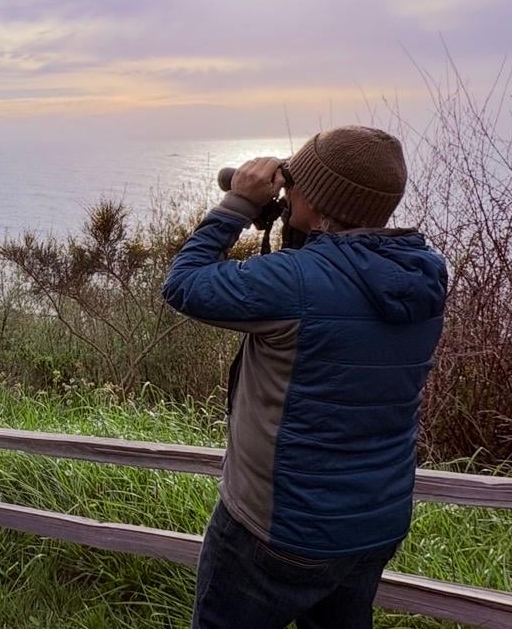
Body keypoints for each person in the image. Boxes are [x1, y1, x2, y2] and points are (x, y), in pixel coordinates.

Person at [162, 126, 447, 629]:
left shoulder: (297, 283)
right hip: (372, 525)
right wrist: (300, 224)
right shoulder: (424, 273)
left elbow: (184, 284)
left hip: (276, 532)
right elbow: (339, 281)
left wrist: (237, 206)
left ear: (315, 203)